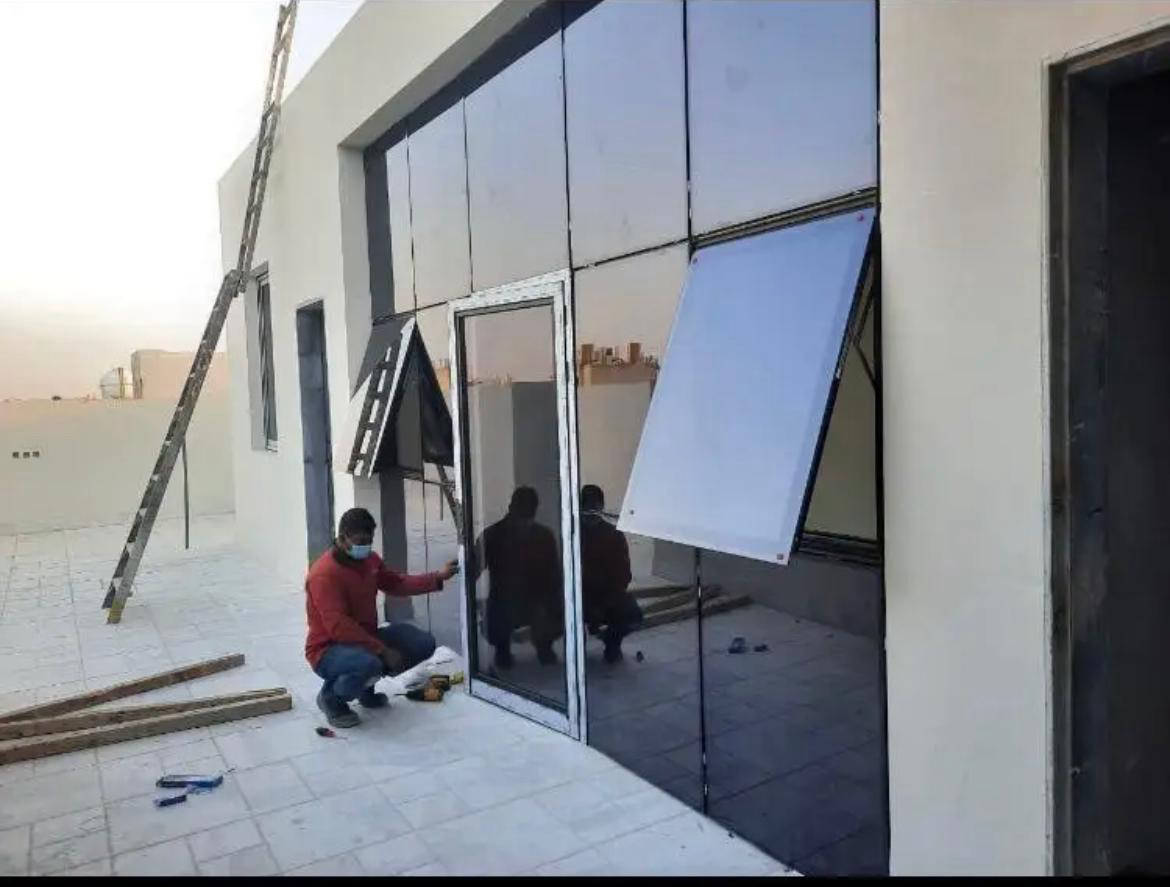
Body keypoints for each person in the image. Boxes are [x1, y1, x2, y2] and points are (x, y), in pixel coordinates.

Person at [305, 507, 458, 728]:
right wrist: (382, 650)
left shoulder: (370, 560)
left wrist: (437, 577)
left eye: (369, 541)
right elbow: (339, 627)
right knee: (369, 663)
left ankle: (365, 688)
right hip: (328, 649)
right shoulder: (324, 574)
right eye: (360, 542)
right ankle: (331, 699)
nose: (365, 547)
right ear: (342, 538)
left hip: (365, 638)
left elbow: (396, 584)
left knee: (422, 643)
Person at [471, 486, 563, 670]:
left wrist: (554, 603)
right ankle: (502, 649)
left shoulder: (544, 536)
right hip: (504, 601)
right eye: (521, 516)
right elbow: (472, 571)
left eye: (527, 517)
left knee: (554, 610)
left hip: (536, 600)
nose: (523, 523)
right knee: (497, 618)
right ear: (511, 509)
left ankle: (544, 645)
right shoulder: (492, 536)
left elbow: (555, 575)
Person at [579, 484, 643, 663]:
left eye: (594, 507)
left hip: (606, 596)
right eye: (586, 506)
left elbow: (623, 576)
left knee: (632, 615)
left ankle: (612, 642)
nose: (590, 512)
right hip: (578, 597)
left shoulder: (613, 536)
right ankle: (572, 647)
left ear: (601, 507)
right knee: (550, 614)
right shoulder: (572, 533)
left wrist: (605, 603)